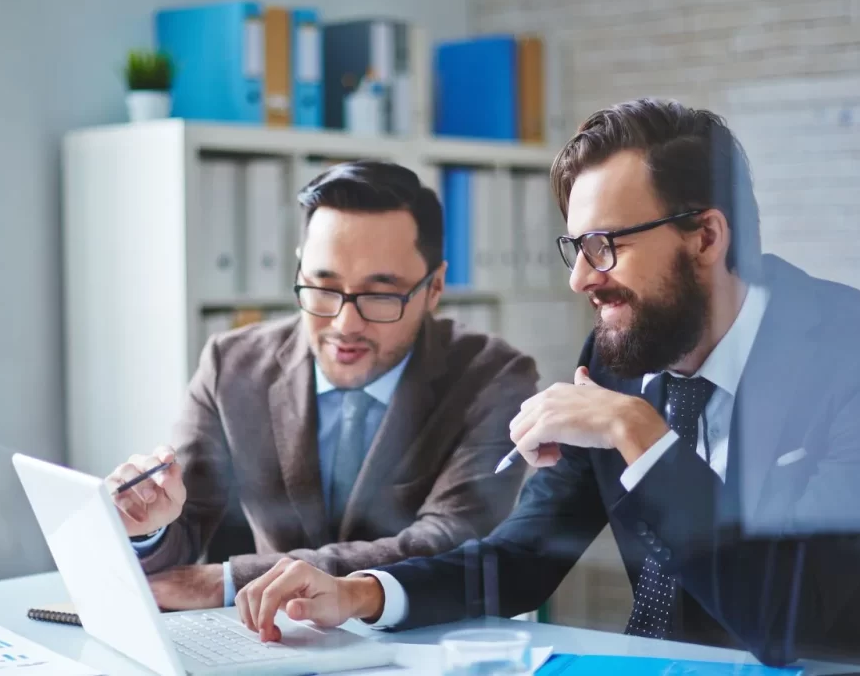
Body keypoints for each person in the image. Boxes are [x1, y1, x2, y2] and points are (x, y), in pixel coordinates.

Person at [232, 99, 860, 667]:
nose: (581, 280)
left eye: (606, 245)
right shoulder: (618, 359)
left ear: (706, 237)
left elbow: (788, 619)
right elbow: (520, 559)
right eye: (576, 249)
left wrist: (638, 433)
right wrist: (361, 593)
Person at [106, 159, 539, 612]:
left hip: (423, 644)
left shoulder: (494, 377)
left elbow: (449, 542)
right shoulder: (231, 365)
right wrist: (147, 524)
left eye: (380, 295)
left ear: (434, 288)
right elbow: (185, 526)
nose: (344, 324)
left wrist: (233, 580)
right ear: (299, 272)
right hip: (272, 643)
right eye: (323, 288)